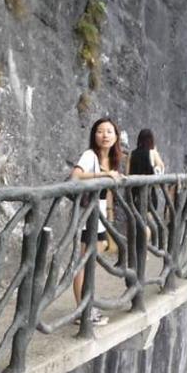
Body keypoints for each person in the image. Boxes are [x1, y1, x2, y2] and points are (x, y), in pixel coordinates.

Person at [69, 117, 123, 326]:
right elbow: (75, 176)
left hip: (98, 216)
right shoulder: (89, 155)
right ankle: (82, 311)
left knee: (92, 262)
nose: (105, 135)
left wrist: (109, 219)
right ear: (94, 135)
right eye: (100, 131)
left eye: (109, 131)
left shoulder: (114, 159)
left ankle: (86, 306)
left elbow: (107, 193)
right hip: (86, 215)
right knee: (84, 262)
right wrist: (104, 173)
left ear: (116, 136)